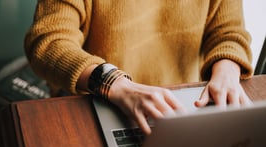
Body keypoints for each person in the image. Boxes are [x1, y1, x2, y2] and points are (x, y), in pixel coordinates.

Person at [24, 0, 253, 135]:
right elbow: (48, 41)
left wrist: (227, 70)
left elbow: (229, 32)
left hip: (183, 107)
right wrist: (114, 83)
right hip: (98, 101)